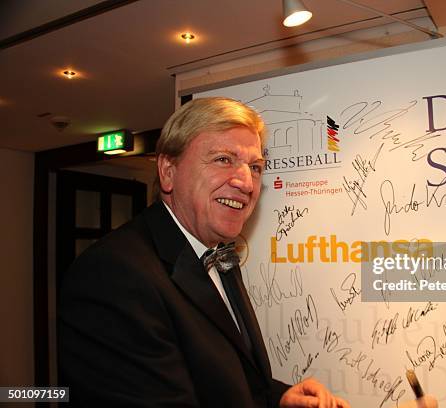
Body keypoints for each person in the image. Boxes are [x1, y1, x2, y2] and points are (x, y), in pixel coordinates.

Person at [58, 97, 350, 407]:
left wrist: (278, 399)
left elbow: (226, 381)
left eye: (255, 167)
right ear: (168, 171)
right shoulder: (114, 276)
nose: (247, 183)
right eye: (224, 159)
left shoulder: (218, 255)